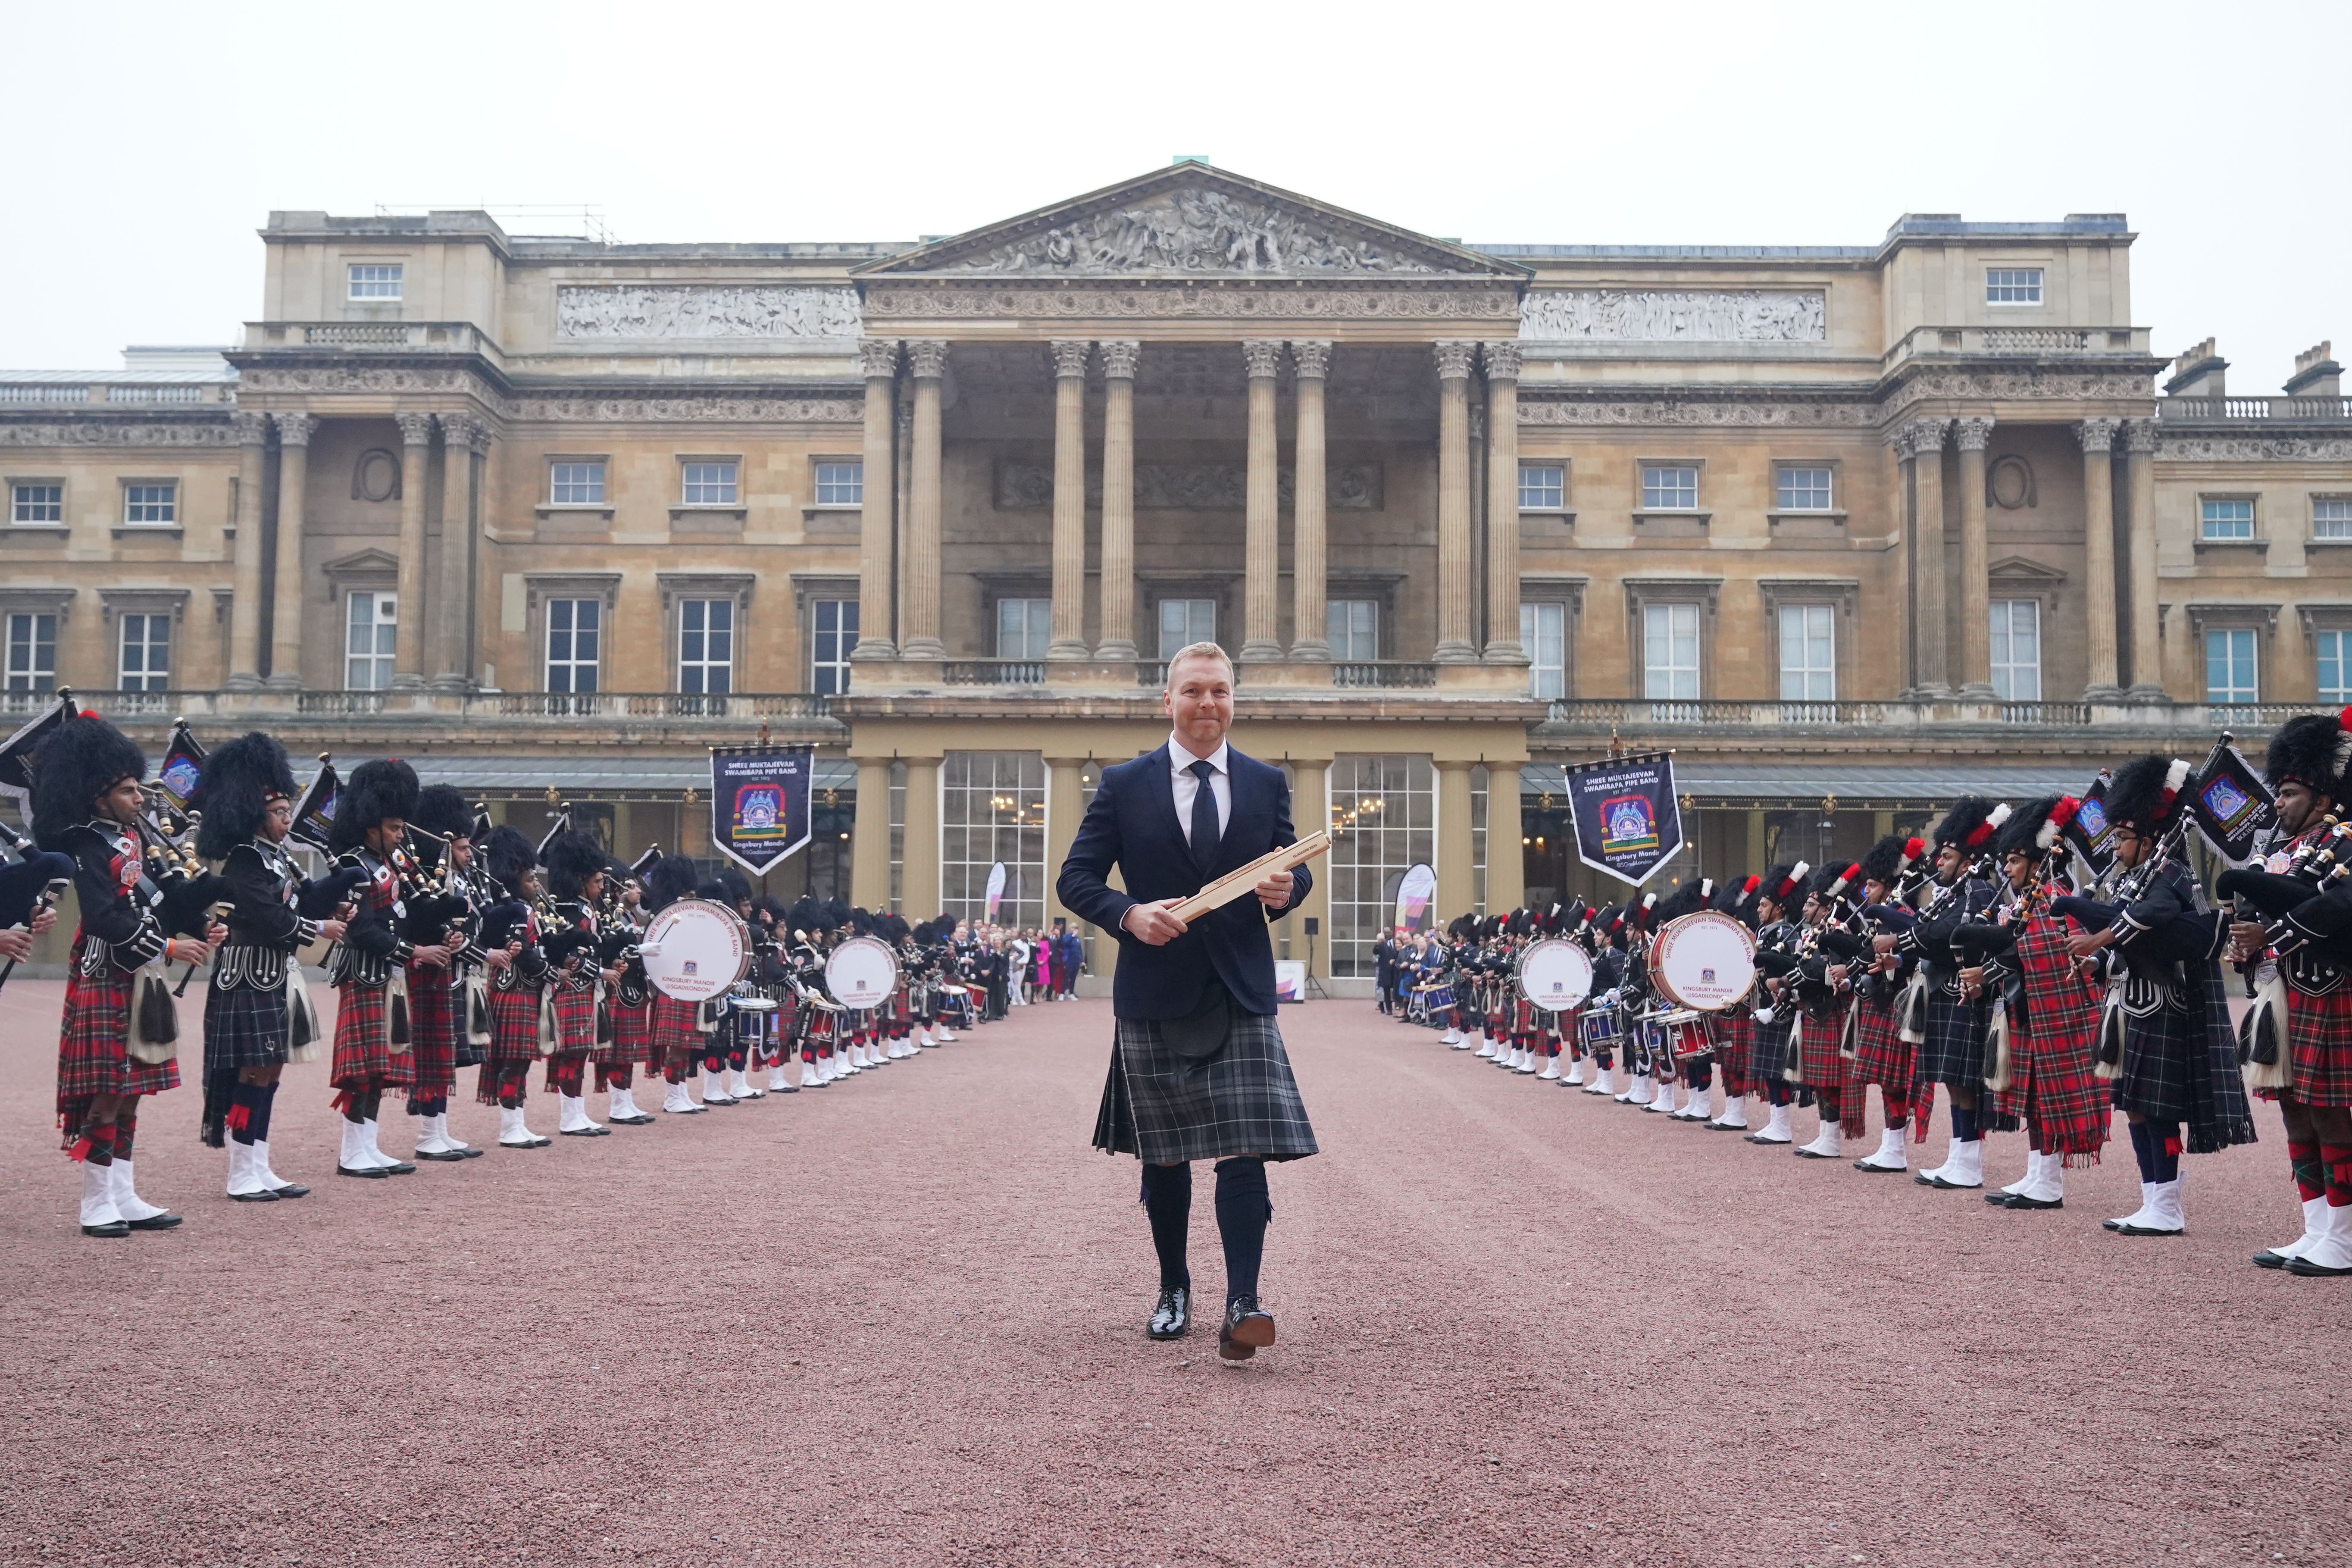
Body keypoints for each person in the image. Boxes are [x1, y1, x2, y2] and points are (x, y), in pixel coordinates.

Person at [1060, 642, 1316, 1361]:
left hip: (1238, 985)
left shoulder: (1266, 783)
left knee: (1245, 1149)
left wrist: (1286, 890)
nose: (1209, 704)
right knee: (1165, 1157)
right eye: (1195, 691)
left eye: (1221, 692)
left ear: (1234, 701)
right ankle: (1174, 1287)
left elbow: (1291, 868)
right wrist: (1127, 913)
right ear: (1167, 701)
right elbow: (1076, 879)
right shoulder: (1124, 783)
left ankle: (1244, 1302)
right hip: (1156, 984)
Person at [35, 708, 222, 1236]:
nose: (141, 799)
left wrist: (202, 921)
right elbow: (103, 917)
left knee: (133, 1086)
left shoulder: (133, 840)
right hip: (105, 971)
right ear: (99, 796)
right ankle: (96, 1201)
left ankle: (123, 1191)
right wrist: (168, 945)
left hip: (139, 973)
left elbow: (159, 898)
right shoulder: (86, 846)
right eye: (128, 791)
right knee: (107, 1088)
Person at [2063, 757, 2254, 1235]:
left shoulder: (2168, 873)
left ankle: (2167, 1203)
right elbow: (2130, 944)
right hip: (2127, 1002)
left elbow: (2154, 914)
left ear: (2146, 839)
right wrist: (2096, 961)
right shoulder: (2131, 877)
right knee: (2132, 1103)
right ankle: (2151, 1197)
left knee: (2157, 1107)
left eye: (2122, 838)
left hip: (2161, 1004)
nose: (2115, 845)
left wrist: (2097, 938)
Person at [195, 731, 357, 1200]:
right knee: (251, 1069)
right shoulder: (246, 858)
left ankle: (258, 1161)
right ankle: (240, 1170)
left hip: (272, 969)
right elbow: (271, 917)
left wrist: (338, 892)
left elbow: (301, 900)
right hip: (249, 967)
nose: (288, 820)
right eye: (281, 813)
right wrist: (319, 928)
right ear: (257, 814)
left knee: (269, 1069)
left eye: (288, 812)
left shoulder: (275, 856)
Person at [2227, 710, 2352, 1274]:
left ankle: (2345, 1237)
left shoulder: (2341, 842)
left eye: (2290, 792)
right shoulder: (2290, 846)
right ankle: (2317, 1227)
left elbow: (2332, 910)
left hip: (2332, 986)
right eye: (2279, 792)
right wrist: (2248, 945)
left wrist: (2268, 927)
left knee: (2329, 1111)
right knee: (2296, 1109)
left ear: (2323, 794)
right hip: (2289, 991)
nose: (2278, 803)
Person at [328, 758, 446, 1180]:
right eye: (394, 827)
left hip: (386, 973)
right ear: (370, 825)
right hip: (362, 970)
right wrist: (414, 951)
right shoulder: (351, 864)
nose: (401, 835)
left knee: (380, 1067)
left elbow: (403, 912)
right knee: (360, 1068)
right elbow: (361, 928)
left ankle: (368, 1145)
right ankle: (350, 1150)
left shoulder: (387, 864)